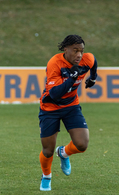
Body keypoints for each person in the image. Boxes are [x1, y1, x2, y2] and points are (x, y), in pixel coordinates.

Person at [38, 34, 98, 191]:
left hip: (71, 106)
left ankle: (63, 153)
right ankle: (46, 176)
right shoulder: (55, 63)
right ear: (66, 50)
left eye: (81, 51)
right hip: (50, 108)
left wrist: (93, 77)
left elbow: (93, 61)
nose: (79, 55)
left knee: (82, 144)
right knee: (48, 150)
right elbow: (55, 94)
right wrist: (72, 78)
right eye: (75, 50)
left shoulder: (86, 59)